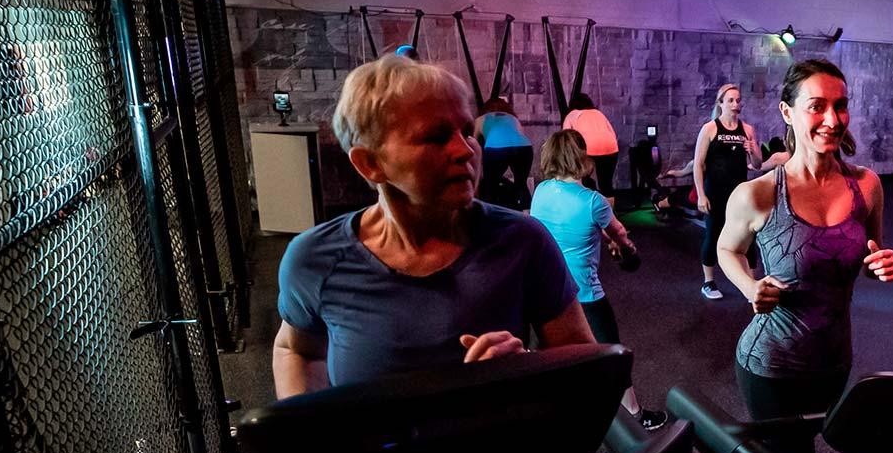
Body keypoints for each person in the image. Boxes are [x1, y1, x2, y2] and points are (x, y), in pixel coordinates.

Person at [274, 55, 594, 399]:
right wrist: (310, 436)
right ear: (371, 164)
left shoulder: (523, 241)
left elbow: (585, 366)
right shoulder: (316, 259)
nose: (465, 150)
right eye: (436, 137)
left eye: (468, 132)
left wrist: (526, 369)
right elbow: (296, 349)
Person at [704, 59, 893, 453]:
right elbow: (726, 249)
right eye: (817, 106)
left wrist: (881, 265)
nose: (832, 119)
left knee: (782, 452)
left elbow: (870, 250)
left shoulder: (866, 186)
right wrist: (751, 286)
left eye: (841, 106)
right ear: (788, 114)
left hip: (834, 359)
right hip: (770, 361)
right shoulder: (758, 195)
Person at [528, 130, 667, 430]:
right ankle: (634, 414)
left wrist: (602, 236)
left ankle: (558, 412)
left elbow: (568, 226)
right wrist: (622, 246)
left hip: (546, 289)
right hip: (584, 292)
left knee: (557, 354)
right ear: (581, 158)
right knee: (612, 352)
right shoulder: (595, 202)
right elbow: (622, 240)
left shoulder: (542, 191)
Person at [694, 84, 764, 300]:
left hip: (740, 195)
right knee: (713, 234)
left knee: (748, 236)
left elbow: (758, 164)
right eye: (731, 100)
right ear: (721, 103)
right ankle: (709, 282)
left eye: (738, 100)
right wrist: (700, 195)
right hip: (715, 191)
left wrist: (752, 150)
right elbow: (698, 164)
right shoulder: (710, 129)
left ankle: (751, 285)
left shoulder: (748, 130)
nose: (735, 104)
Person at [475, 96, 532, 209]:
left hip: (496, 147)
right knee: (521, 184)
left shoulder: (480, 119)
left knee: (490, 185)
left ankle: (490, 215)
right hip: (524, 146)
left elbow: (474, 145)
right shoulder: (514, 118)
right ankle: (527, 215)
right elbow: (519, 135)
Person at [562, 93, 621, 194]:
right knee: (606, 183)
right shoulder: (598, 113)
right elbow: (613, 133)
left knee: (583, 179)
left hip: (588, 149)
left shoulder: (572, 114)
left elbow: (566, 137)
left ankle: (588, 203)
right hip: (610, 147)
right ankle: (609, 209)